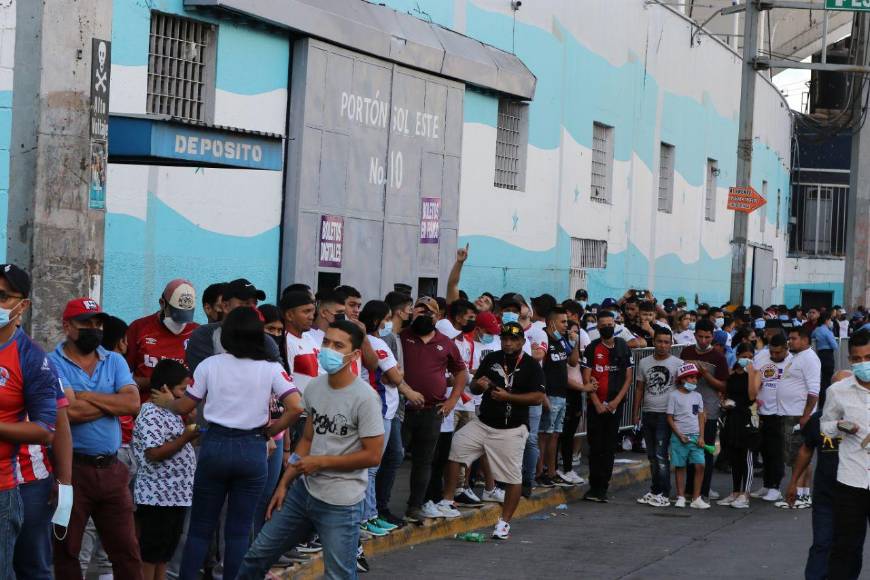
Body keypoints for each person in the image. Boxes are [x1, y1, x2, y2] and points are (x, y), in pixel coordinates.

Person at [151, 307, 303, 580]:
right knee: (239, 530)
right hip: (252, 448)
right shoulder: (271, 368)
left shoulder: (211, 365)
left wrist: (168, 404)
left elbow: (187, 403)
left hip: (215, 445)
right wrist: (271, 432)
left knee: (200, 528)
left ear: (228, 335)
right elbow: (295, 407)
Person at [236, 321, 385, 580]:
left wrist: (322, 462)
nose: (329, 349)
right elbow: (307, 439)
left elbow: (373, 455)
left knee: (338, 574)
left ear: (355, 354)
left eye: (338, 345)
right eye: (326, 342)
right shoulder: (316, 387)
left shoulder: (366, 398)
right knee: (257, 556)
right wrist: (285, 481)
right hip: (302, 493)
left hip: (341, 501)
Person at [50, 297, 143, 580]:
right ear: (68, 326)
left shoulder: (114, 360)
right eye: (86, 323)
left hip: (112, 469)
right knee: (66, 550)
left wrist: (85, 396)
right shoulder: (51, 362)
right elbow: (69, 412)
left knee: (126, 550)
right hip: (71, 472)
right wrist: (109, 401)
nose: (94, 329)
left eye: (98, 323)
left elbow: (132, 403)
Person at [439, 321, 545, 540]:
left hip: (511, 428)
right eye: (505, 338)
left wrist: (509, 397)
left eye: (513, 339)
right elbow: (475, 385)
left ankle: (504, 523)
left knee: (512, 477)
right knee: (455, 448)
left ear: (522, 342)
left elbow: (538, 398)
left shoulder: (531, 365)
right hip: (484, 422)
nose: (508, 343)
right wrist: (479, 385)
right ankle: (447, 500)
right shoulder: (492, 358)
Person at [0, 264, 64, 580]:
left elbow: (49, 427)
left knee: (28, 566)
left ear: (22, 305)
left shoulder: (33, 358)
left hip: (16, 484)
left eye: (2, 296)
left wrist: (64, 481)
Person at [400, 297, 468, 522]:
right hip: (402, 411)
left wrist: (452, 401)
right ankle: (379, 509)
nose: (425, 316)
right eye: (420, 311)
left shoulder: (445, 342)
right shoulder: (401, 337)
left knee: (424, 461)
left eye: (430, 313)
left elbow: (461, 372)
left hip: (432, 412)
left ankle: (414, 507)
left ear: (438, 317)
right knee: (393, 459)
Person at [132, 360, 198, 580]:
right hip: (157, 497)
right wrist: (185, 438)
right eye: (182, 390)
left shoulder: (173, 413)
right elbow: (154, 453)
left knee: (164, 554)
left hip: (176, 496)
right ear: (164, 389)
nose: (185, 395)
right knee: (151, 553)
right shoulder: (150, 413)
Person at [820, 329, 870, 580]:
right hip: (851, 479)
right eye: (858, 359)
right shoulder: (838, 391)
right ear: (850, 360)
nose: (864, 364)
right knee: (846, 549)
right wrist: (840, 426)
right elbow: (825, 425)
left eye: (868, 357)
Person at [786, 400, 852, 580]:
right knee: (822, 542)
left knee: (848, 546)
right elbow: (806, 449)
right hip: (826, 493)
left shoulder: (862, 415)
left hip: (856, 494)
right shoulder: (819, 419)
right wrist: (793, 482)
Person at [358, 300, 406, 536]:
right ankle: (367, 516)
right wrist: (396, 375)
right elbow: (395, 377)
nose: (390, 322)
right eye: (387, 317)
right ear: (378, 321)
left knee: (371, 467)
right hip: (380, 409)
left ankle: (371, 514)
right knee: (371, 468)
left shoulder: (374, 341)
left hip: (381, 409)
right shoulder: (376, 342)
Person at [581, 311, 633, 502]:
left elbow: (628, 378)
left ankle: (603, 487)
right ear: (598, 326)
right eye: (603, 325)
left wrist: (615, 402)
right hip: (596, 407)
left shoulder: (623, 347)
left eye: (610, 324)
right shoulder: (592, 348)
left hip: (615, 406)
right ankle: (594, 487)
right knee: (595, 447)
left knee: (609, 447)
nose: (607, 327)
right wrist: (596, 403)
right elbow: (587, 378)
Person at [769, 325, 821, 509]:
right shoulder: (797, 357)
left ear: (805, 340)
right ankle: (799, 494)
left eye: (793, 338)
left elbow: (814, 390)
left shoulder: (809, 359)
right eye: (789, 338)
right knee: (795, 458)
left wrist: (806, 416)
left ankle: (802, 495)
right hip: (791, 413)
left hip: (798, 415)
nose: (790, 341)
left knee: (801, 457)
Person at [634, 327, 682, 508]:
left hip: (666, 415)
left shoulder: (678, 363)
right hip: (648, 413)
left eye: (666, 342)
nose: (662, 345)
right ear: (653, 342)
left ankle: (664, 492)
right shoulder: (644, 362)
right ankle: (655, 489)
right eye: (659, 341)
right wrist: (635, 413)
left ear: (671, 344)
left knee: (662, 455)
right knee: (652, 455)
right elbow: (639, 388)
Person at [681, 319, 729, 501]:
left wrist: (706, 374)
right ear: (695, 335)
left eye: (707, 337)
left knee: (705, 452)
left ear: (712, 337)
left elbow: (723, 386)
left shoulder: (718, 358)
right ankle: (688, 489)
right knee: (688, 451)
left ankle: (703, 490)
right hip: (686, 411)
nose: (703, 340)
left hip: (708, 410)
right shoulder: (686, 352)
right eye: (700, 336)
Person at [185, 278, 269, 372]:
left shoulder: (264, 339)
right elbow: (204, 375)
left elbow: (278, 375)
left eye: (255, 304)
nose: (252, 310)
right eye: (245, 304)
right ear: (225, 306)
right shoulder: (204, 335)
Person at [538, 306, 579, 487]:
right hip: (549, 394)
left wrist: (574, 341)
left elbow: (573, 361)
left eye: (567, 322)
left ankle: (552, 471)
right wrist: (542, 394)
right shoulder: (543, 338)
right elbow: (539, 368)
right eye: (563, 322)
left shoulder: (561, 340)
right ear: (551, 322)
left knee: (555, 434)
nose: (566, 326)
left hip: (562, 395)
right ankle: (539, 472)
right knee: (544, 435)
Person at [717, 343, 761, 509]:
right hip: (732, 417)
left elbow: (752, 395)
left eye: (750, 357)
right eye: (744, 357)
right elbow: (725, 393)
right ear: (737, 357)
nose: (747, 360)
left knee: (747, 457)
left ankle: (746, 493)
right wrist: (723, 403)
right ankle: (735, 491)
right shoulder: (731, 373)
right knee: (735, 457)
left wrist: (750, 373)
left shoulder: (755, 374)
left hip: (748, 419)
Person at [751, 334, 792, 503]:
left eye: (778, 353)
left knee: (776, 452)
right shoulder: (761, 356)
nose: (774, 356)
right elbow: (754, 378)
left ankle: (776, 487)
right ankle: (767, 485)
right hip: (762, 412)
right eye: (772, 352)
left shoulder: (794, 361)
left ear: (786, 348)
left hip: (781, 413)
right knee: (764, 451)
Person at [667, 363, 709, 509]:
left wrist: (701, 436)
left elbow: (700, 417)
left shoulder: (698, 396)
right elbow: (670, 418)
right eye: (691, 378)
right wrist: (679, 435)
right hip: (679, 438)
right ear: (683, 379)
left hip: (695, 436)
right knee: (680, 466)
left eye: (695, 378)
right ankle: (680, 496)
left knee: (700, 465)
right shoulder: (674, 396)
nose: (694, 381)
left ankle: (696, 498)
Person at [811, 310, 838, 405]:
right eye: (830, 319)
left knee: (821, 380)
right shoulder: (827, 331)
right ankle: (827, 403)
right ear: (827, 320)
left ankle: (821, 402)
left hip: (820, 355)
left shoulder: (817, 330)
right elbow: (835, 345)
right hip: (828, 356)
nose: (831, 321)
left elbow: (812, 337)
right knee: (828, 380)